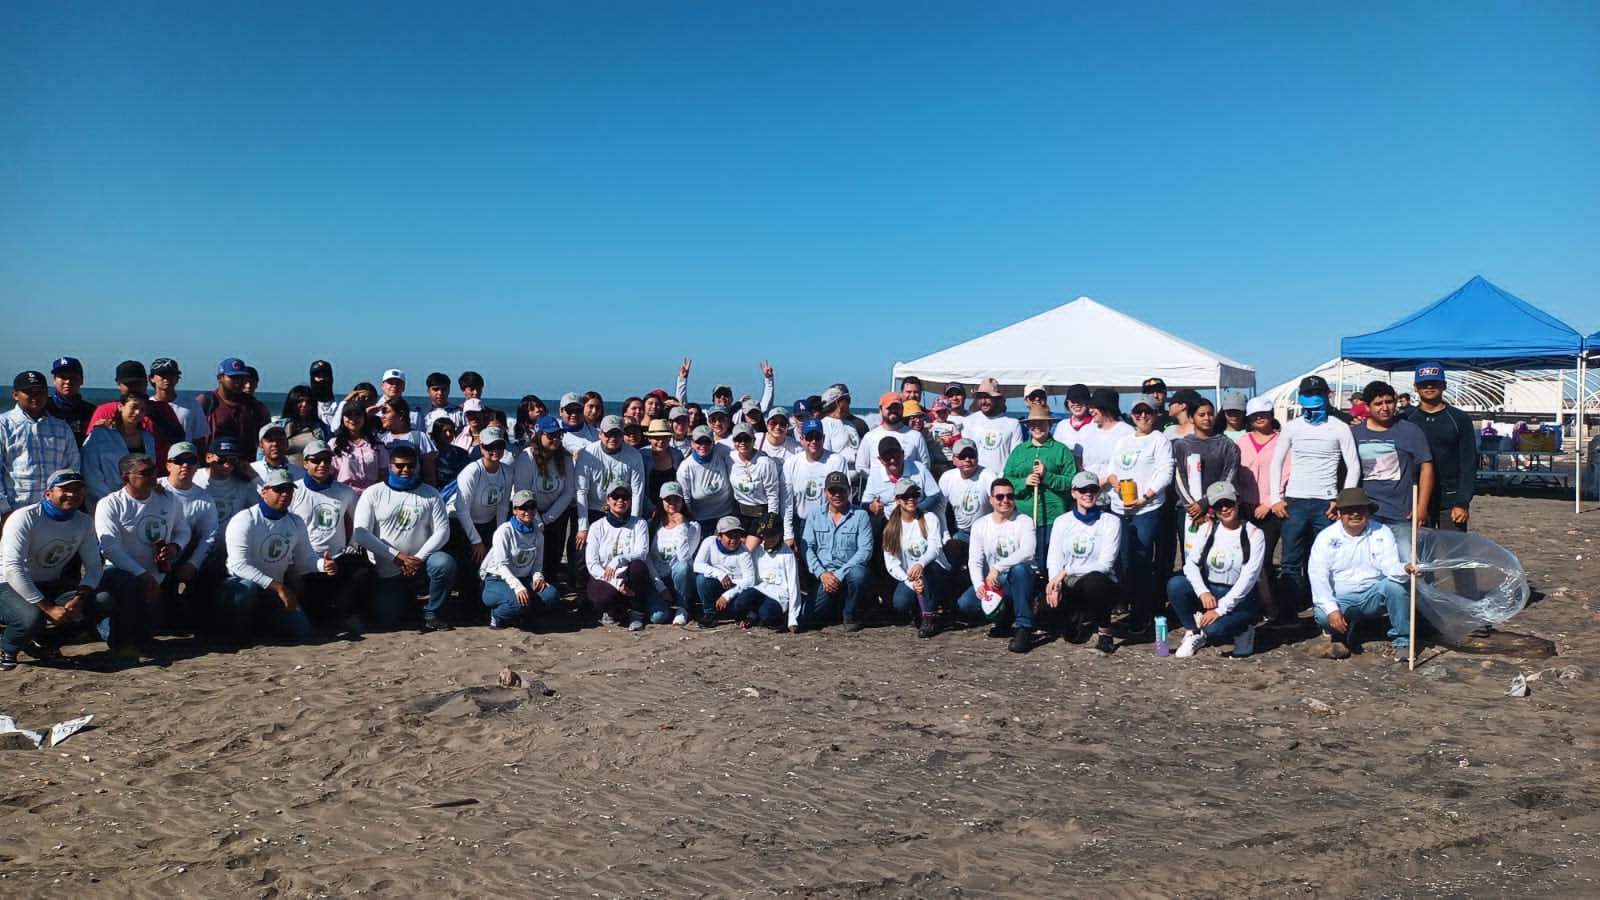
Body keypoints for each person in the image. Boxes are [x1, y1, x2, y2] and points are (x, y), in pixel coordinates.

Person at [1268, 375, 1360, 628]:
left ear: (1327, 395)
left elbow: (1353, 466)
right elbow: (1276, 462)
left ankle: (1328, 614)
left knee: (1328, 561)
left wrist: (1343, 502)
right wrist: (1275, 498)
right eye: (1309, 393)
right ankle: (1289, 614)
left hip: (1326, 503)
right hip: (1294, 501)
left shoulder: (1340, 427)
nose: (1314, 399)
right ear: (1301, 397)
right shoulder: (1292, 427)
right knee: (1290, 562)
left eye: (1319, 393)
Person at [0, 469, 109, 670]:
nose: (72, 494)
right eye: (65, 489)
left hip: (48, 583)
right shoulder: (25, 517)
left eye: (77, 489)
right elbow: (12, 568)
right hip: (6, 584)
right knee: (32, 617)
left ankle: (46, 642)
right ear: (48, 493)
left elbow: (94, 565)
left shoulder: (83, 522)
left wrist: (79, 598)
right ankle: (7, 647)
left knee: (102, 600)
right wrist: (48, 608)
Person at [220, 469, 337, 645]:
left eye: (288, 490)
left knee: (302, 631)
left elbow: (304, 559)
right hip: (241, 584)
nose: (284, 494)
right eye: (278, 489)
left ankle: (263, 621)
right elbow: (239, 566)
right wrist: (279, 587)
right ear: (264, 491)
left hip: (273, 589)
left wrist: (323, 565)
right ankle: (234, 630)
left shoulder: (296, 522)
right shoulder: (245, 519)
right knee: (247, 589)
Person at [94, 453, 190, 659]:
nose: (153, 476)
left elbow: (183, 530)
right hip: (121, 571)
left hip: (158, 571)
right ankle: (118, 640)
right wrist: (143, 576)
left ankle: (115, 626)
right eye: (145, 473)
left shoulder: (168, 498)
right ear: (125, 477)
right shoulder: (110, 504)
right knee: (129, 590)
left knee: (151, 629)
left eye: (154, 470)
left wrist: (175, 547)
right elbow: (110, 549)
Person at [352, 443, 455, 632]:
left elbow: (442, 531)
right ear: (390, 466)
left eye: (410, 465)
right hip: (388, 568)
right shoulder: (373, 493)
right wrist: (396, 556)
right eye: (399, 466)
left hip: (421, 563)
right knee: (388, 619)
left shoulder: (430, 494)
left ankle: (432, 612)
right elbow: (360, 533)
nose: (405, 470)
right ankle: (407, 601)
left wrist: (417, 559)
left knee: (444, 563)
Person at [1305, 487, 1414, 661]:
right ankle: (1340, 633)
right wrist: (1332, 610)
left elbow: (1389, 566)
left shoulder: (1382, 532)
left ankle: (1403, 642)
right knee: (1323, 614)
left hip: (1372, 593)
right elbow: (1318, 576)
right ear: (1339, 513)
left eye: (1361, 509)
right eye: (1349, 510)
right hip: (1341, 597)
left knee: (1396, 586)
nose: (1355, 514)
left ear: (1368, 512)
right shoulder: (1325, 538)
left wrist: (1405, 569)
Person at [1166, 482, 1266, 659]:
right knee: (1176, 584)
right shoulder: (1208, 529)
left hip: (1241, 596)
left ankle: (1244, 630)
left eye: (1229, 503)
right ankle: (1193, 632)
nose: (1225, 509)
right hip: (1212, 590)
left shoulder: (1254, 534)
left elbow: (1249, 578)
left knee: (1214, 628)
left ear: (1238, 501)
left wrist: (1220, 609)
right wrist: (1202, 591)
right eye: (1218, 505)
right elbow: (1190, 565)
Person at [1103, 394, 1175, 633]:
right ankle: (1131, 605)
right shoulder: (1123, 440)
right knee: (1123, 560)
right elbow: (1112, 468)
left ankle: (1143, 612)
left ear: (1156, 414)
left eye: (1148, 411)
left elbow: (1165, 473)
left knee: (1141, 560)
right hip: (1119, 507)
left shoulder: (1159, 440)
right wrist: (1113, 481)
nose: (1143, 416)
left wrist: (1144, 497)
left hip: (1146, 508)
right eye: (1138, 412)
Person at [288, 439, 371, 632]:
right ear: (305, 462)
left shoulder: (345, 491)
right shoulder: (293, 491)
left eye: (326, 460)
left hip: (337, 556)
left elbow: (360, 521)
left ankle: (348, 612)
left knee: (363, 572)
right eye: (316, 460)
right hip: (305, 559)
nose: (322, 464)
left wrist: (352, 544)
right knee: (315, 615)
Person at [956, 477, 1037, 654]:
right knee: (966, 603)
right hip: (996, 581)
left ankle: (1024, 627)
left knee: (1019, 569)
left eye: (1010, 496)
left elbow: (1028, 552)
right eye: (1000, 497)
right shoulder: (980, 525)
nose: (1005, 501)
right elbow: (975, 560)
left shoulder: (1024, 521)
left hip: (1022, 578)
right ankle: (1004, 617)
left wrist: (998, 567)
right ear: (991, 499)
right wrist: (978, 585)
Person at [1044, 471, 1121, 653]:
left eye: (1093, 489)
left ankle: (1105, 632)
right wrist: (1055, 584)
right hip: (1071, 583)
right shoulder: (1062, 521)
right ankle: (1078, 614)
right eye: (1082, 490)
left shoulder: (1111, 521)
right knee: (1064, 630)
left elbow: (1105, 564)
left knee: (1095, 582)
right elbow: (1054, 557)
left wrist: (1067, 571)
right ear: (1074, 493)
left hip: (1100, 581)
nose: (1088, 494)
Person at [1003, 400, 1076, 576]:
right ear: (1028, 426)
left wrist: (1047, 477)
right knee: (1026, 561)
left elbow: (1071, 483)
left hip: (1053, 516)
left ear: (1049, 424)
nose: (1037, 427)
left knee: (1050, 562)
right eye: (1033, 423)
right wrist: (1024, 482)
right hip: (1023, 516)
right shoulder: (1018, 451)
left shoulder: (1061, 451)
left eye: (1041, 423)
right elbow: (1005, 481)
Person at [2, 370, 82, 527]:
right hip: (14, 512)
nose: (36, 396)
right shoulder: (4, 425)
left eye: (40, 391)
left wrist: (65, 505)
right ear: (15, 394)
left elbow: (72, 469)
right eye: (29, 392)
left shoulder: (61, 427)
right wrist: (4, 511)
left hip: (54, 513)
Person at [1405, 362, 1477, 531]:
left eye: (1434, 382)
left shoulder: (1460, 419)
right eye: (1423, 383)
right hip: (1417, 497)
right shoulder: (1406, 419)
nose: (1429, 387)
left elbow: (1469, 463)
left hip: (1451, 499)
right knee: (1419, 552)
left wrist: (1462, 501)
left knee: (1453, 552)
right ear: (1415, 387)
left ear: (1444, 385)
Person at [1352, 381, 1435, 527]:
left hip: (1401, 513)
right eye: (1378, 404)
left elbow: (1426, 467)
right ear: (1367, 406)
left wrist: (1421, 507)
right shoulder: (1354, 433)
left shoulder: (1411, 431)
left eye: (1389, 402)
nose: (1385, 408)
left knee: (1404, 550)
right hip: (1365, 512)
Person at [157, 441, 220, 631]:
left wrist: (193, 564)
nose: (185, 465)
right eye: (179, 461)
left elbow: (209, 537)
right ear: (168, 465)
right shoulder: (154, 487)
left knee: (213, 566)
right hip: (152, 557)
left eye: (191, 461)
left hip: (182, 558)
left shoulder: (204, 499)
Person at [449, 424, 514, 610]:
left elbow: (503, 505)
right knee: (469, 568)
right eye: (489, 447)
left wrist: (499, 535)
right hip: (462, 523)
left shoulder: (507, 471)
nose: (495, 451)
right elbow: (461, 509)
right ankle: (467, 608)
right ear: (481, 448)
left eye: (499, 446)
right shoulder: (472, 471)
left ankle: (484, 602)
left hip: (488, 522)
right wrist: (475, 540)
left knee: (489, 564)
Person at [881, 479, 954, 639]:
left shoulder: (930, 518)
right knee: (900, 602)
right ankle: (918, 609)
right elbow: (892, 564)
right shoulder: (891, 528)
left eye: (915, 494)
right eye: (906, 496)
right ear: (898, 499)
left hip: (935, 570)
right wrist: (910, 582)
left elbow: (935, 548)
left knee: (928, 569)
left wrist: (920, 563)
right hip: (911, 575)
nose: (911, 499)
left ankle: (929, 618)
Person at [480, 490, 562, 629]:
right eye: (523, 508)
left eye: (532, 507)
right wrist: (517, 587)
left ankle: (521, 614)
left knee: (551, 595)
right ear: (515, 510)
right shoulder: (504, 531)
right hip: (497, 579)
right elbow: (501, 565)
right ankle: (497, 615)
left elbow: (537, 565)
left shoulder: (538, 534)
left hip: (523, 578)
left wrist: (537, 577)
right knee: (520, 603)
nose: (528, 511)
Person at [1171, 395, 1241, 560]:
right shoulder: (1181, 445)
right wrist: (1193, 506)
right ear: (1191, 418)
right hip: (1189, 511)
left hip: (1218, 508)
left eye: (1210, 414)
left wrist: (1205, 503)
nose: (1207, 418)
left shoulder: (1227, 445)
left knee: (1217, 555)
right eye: (1201, 415)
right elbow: (1179, 478)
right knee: (1192, 556)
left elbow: (1228, 477)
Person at [802, 471, 873, 631]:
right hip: (825, 576)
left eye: (841, 490)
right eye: (832, 491)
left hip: (847, 573)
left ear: (849, 490)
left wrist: (839, 575)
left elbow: (865, 551)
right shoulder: (814, 515)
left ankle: (851, 613)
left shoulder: (860, 516)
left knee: (859, 574)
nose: (837, 495)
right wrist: (822, 574)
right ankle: (835, 607)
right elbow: (808, 548)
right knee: (806, 619)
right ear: (825, 492)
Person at [1234, 396, 1284, 618]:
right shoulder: (1241, 442)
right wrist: (1242, 502)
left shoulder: (1282, 440)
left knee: (1264, 558)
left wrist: (1270, 502)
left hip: (1270, 508)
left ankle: (1269, 601)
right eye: (1255, 415)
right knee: (1243, 555)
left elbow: (1287, 474)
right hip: (1244, 507)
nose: (1260, 418)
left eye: (1263, 414)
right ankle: (1247, 601)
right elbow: (1234, 473)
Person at [583, 484, 656, 631]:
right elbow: (592, 564)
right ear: (608, 500)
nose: (620, 501)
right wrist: (616, 583)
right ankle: (614, 609)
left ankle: (636, 613)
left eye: (625, 497)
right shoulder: (597, 527)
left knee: (638, 566)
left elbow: (642, 552)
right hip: (607, 576)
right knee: (602, 598)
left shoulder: (639, 523)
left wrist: (618, 560)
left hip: (629, 575)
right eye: (615, 497)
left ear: (630, 500)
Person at [574, 415, 646, 544]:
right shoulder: (587, 454)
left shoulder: (634, 456)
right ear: (600, 433)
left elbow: (637, 492)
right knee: (579, 550)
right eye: (608, 434)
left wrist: (633, 524)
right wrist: (583, 527)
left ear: (622, 435)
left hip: (621, 510)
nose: (613, 438)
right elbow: (581, 491)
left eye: (617, 434)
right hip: (593, 509)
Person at [782, 417, 850, 550]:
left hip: (828, 522)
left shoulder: (837, 461)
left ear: (823, 438)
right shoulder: (791, 463)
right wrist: (788, 534)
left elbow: (846, 497)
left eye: (817, 436)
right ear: (801, 438)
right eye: (809, 437)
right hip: (800, 523)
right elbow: (787, 503)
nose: (813, 441)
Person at [83, 392, 157, 504]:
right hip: (103, 499)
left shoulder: (148, 437)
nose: (138, 412)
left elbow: (149, 471)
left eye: (143, 409)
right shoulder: (99, 434)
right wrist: (112, 500)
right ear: (120, 406)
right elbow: (90, 472)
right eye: (134, 407)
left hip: (139, 501)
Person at [648, 482, 701, 626]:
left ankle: (683, 607)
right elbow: (648, 559)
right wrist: (661, 587)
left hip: (681, 577)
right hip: (658, 579)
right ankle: (665, 604)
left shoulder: (693, 527)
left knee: (682, 567)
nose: (672, 503)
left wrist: (682, 526)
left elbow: (684, 557)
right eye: (668, 499)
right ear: (661, 501)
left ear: (682, 501)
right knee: (657, 618)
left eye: (676, 499)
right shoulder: (653, 525)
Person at [692, 515, 760, 628]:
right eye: (729, 535)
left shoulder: (744, 552)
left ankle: (741, 614)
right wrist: (720, 574)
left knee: (742, 601)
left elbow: (750, 580)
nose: (734, 540)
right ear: (719, 536)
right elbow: (697, 565)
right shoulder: (709, 542)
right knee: (701, 579)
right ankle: (709, 613)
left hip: (735, 588)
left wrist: (727, 595)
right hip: (717, 583)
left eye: (737, 535)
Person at [199, 358, 271, 457]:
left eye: (241, 377)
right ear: (220, 378)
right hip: (213, 466)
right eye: (233, 377)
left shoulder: (254, 406)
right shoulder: (205, 401)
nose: (238, 382)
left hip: (244, 466)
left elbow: (266, 437)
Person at [677, 425, 735, 536]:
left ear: (713, 442)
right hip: (700, 520)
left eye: (707, 442)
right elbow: (685, 499)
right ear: (692, 443)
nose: (703, 445)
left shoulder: (722, 453)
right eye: (699, 442)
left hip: (727, 514)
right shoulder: (685, 467)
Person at [856, 392, 931, 478]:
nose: (893, 411)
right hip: (879, 489)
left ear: (902, 409)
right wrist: (879, 480)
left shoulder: (916, 436)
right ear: (881, 409)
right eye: (889, 408)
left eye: (897, 407)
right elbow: (860, 466)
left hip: (909, 487)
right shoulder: (870, 437)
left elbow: (925, 466)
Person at [747, 513, 801, 632]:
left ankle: (782, 617)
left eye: (773, 535)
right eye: (766, 535)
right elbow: (753, 579)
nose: (770, 539)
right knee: (741, 601)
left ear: (781, 533)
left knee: (766, 613)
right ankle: (752, 616)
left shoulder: (787, 554)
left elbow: (793, 585)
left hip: (778, 596)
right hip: (761, 591)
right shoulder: (757, 551)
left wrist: (793, 618)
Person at [729, 423, 782, 534]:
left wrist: (771, 521)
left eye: (747, 439)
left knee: (751, 547)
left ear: (753, 440)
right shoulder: (729, 458)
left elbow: (773, 495)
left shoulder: (766, 462)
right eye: (738, 439)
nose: (743, 443)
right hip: (739, 512)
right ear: (733, 441)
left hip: (761, 513)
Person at [960, 378, 1021, 474]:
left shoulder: (1013, 424)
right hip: (976, 480)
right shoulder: (968, 421)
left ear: (997, 398)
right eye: (980, 397)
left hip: (1002, 482)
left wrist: (1003, 479)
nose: (983, 401)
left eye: (987, 397)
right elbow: (965, 455)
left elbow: (1015, 457)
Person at [328, 401, 388, 495]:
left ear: (364, 417)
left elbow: (383, 473)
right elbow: (329, 473)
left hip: (371, 494)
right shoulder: (334, 444)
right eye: (349, 415)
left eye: (358, 415)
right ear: (342, 418)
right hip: (343, 493)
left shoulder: (376, 443)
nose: (353, 419)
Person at [377, 398, 438, 487]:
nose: (382, 416)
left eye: (386, 412)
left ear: (401, 414)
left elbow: (429, 472)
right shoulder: (383, 441)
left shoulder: (419, 437)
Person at [149, 358, 209, 446]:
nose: (167, 378)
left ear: (177, 378)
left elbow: (199, 439)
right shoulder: (146, 406)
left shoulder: (192, 405)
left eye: (172, 374)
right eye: (162, 374)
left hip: (184, 457)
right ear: (152, 378)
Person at [45, 356, 95, 444]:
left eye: (73, 377)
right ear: (54, 380)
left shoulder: (91, 411)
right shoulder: (44, 408)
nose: (68, 381)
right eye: (63, 377)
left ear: (82, 380)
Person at [280, 385, 331, 465]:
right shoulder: (280, 426)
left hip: (313, 474)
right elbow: (264, 451)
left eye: (308, 402)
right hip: (286, 474)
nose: (304, 404)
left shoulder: (322, 428)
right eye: (300, 401)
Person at [251, 421, 307, 488]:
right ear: (261, 445)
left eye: (279, 440)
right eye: (270, 440)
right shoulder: (252, 471)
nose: (275, 444)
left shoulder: (300, 474)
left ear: (286, 443)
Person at [1051, 384, 1096, 467]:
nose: (1076, 404)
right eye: (1072, 400)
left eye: (1080, 400)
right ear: (1067, 403)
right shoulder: (1062, 425)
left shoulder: (1096, 424)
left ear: (1088, 402)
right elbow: (1055, 453)